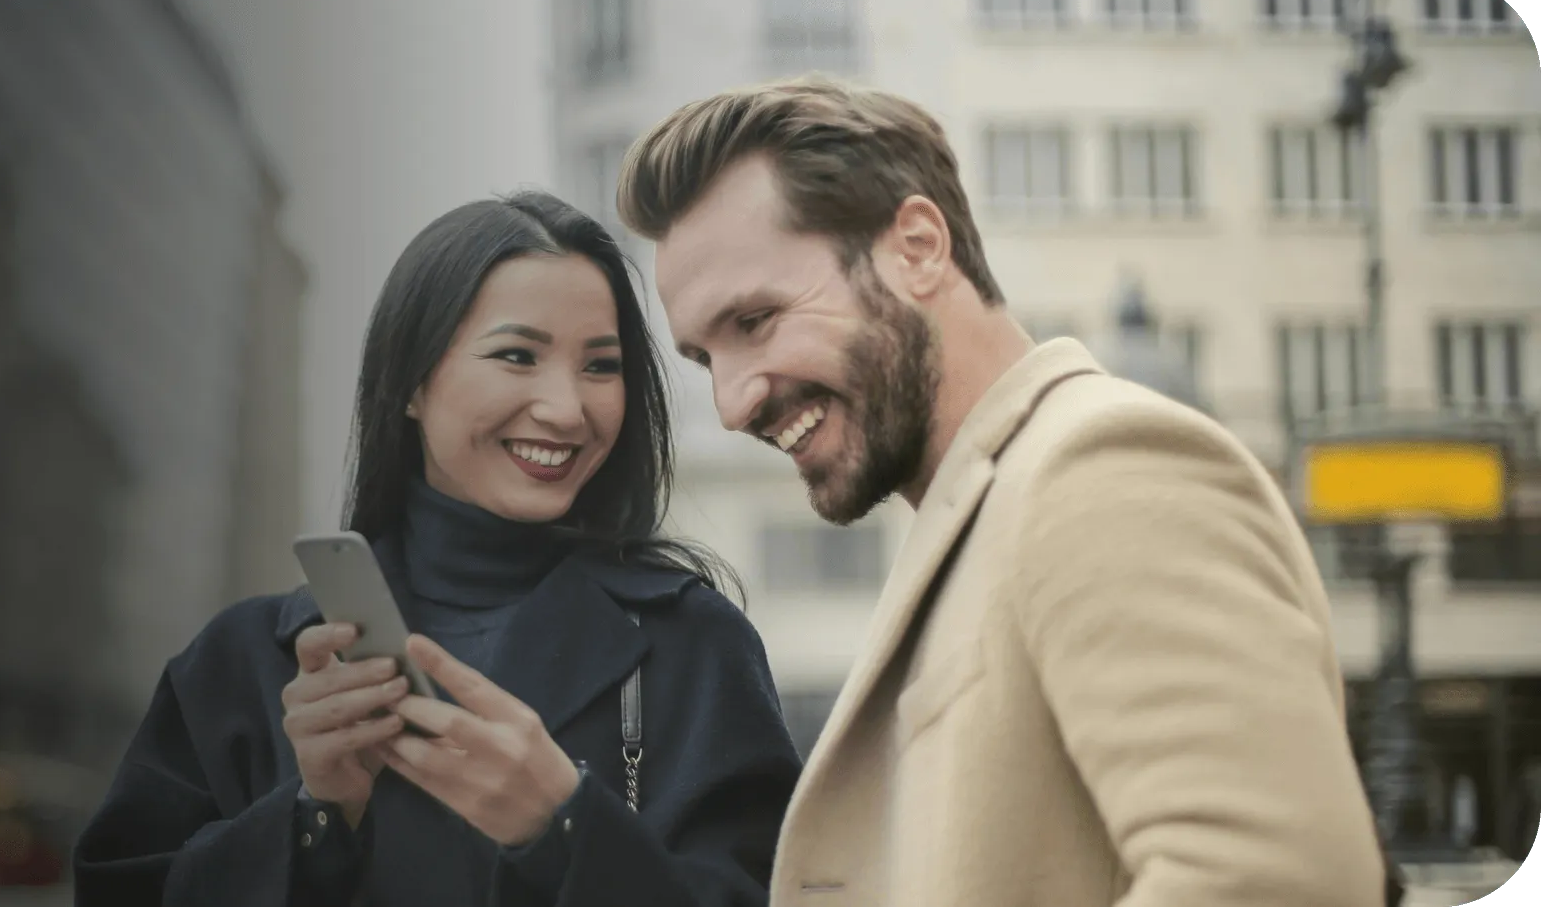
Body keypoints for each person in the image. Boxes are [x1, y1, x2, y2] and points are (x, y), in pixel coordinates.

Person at [614, 76, 1390, 906]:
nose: (733, 404)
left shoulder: (1100, 468)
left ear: (916, 247)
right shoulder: (987, 508)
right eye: (705, 359)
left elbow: (1277, 877)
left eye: (755, 322)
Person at [72, 191, 803, 906]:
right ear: (412, 384)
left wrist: (565, 826)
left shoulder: (695, 646)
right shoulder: (245, 661)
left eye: (601, 366)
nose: (566, 408)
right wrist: (314, 817)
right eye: (518, 355)